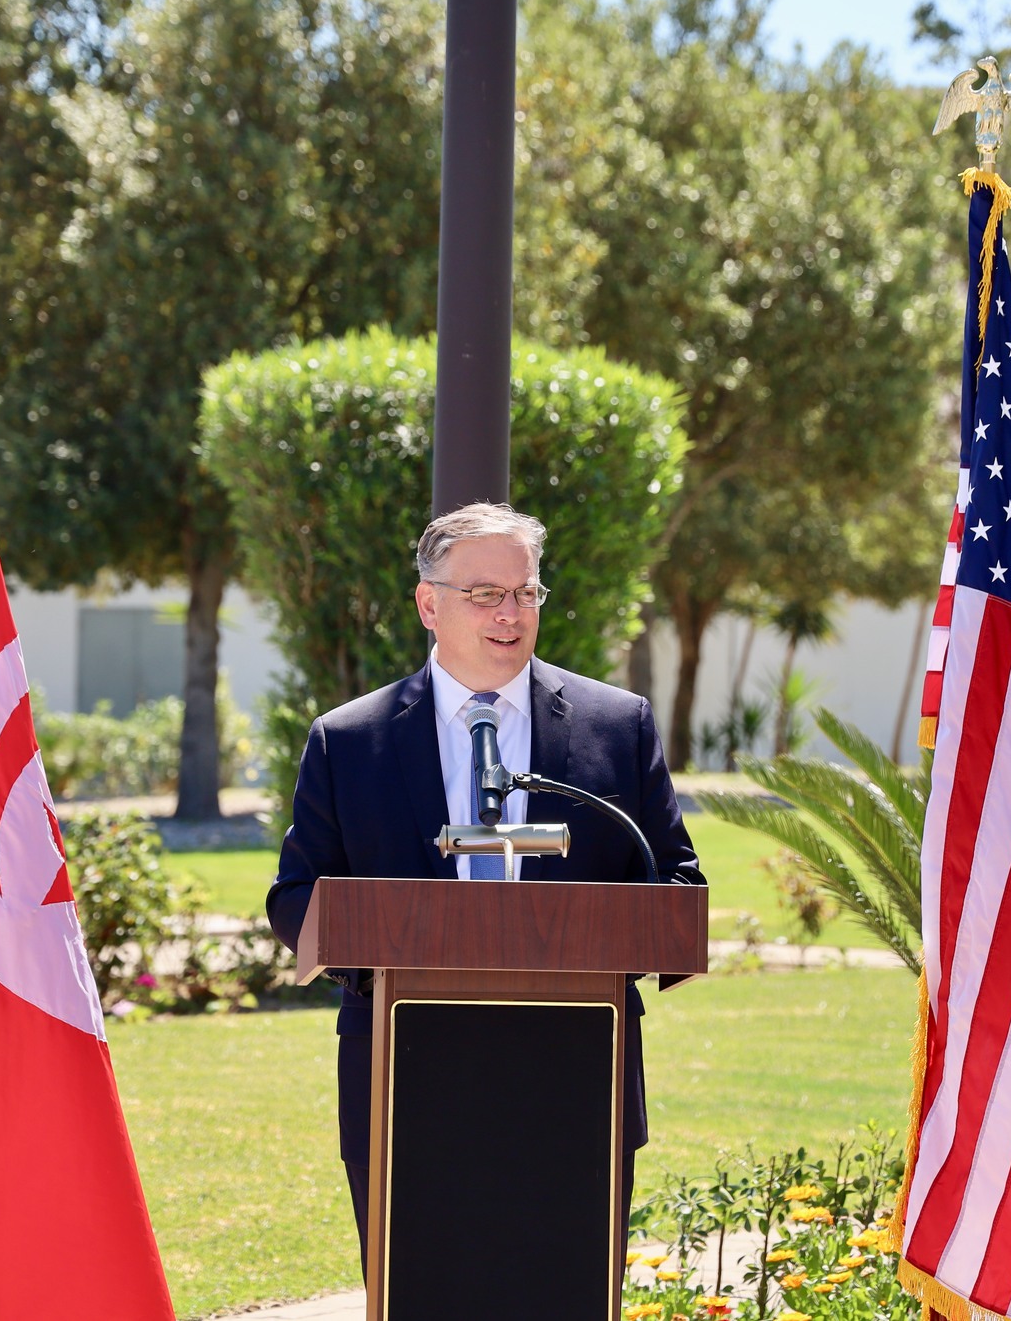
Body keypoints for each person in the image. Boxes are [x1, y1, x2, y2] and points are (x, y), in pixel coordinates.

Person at [264, 501, 705, 1270]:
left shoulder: (616, 724)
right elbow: (298, 893)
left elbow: (673, 878)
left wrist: (588, 939)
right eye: (485, 594)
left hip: (577, 1073)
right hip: (403, 1076)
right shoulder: (350, 739)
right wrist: (379, 946)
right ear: (428, 604)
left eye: (525, 593)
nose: (510, 613)